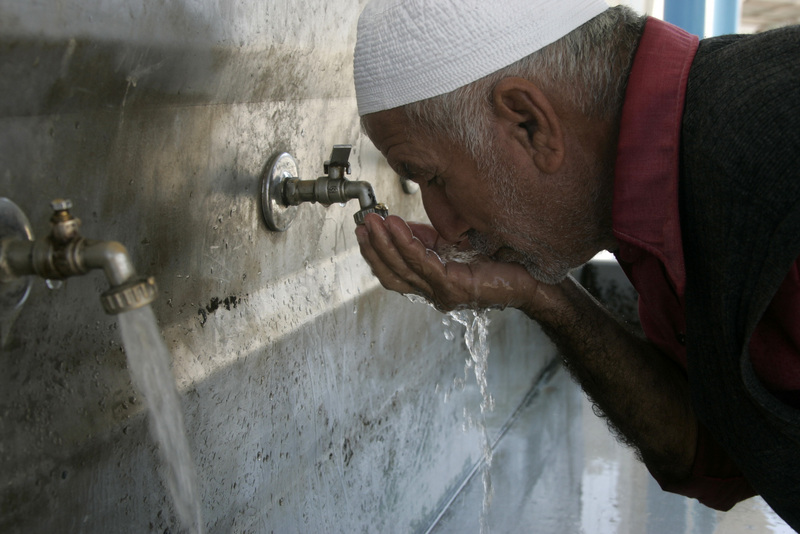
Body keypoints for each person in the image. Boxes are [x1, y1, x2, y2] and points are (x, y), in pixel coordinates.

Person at [351, 0, 800, 529]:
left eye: (431, 177)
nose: (445, 226)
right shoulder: (674, 176)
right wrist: (543, 293)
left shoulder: (777, 160)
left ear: (529, 123)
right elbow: (723, 454)